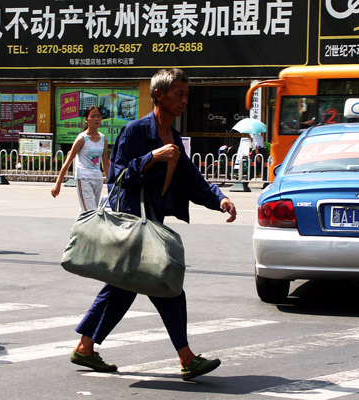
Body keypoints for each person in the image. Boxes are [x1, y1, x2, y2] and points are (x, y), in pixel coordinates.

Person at [71, 69, 237, 381]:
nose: (185, 101)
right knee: (166, 283)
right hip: (133, 222)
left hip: (153, 220)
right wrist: (152, 157)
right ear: (158, 95)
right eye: (179, 94)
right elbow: (117, 176)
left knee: (123, 288)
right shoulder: (136, 132)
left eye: (187, 95)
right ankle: (186, 357)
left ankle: (85, 346)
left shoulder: (173, 136)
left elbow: (191, 180)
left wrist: (219, 199)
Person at [51, 106, 109, 212]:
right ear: (86, 119)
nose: (96, 119)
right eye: (93, 116)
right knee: (91, 212)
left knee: (87, 211)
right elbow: (68, 161)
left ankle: (76, 229)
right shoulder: (82, 139)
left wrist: (110, 182)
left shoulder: (103, 139)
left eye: (99, 116)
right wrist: (58, 183)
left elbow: (105, 163)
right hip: (84, 178)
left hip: (97, 179)